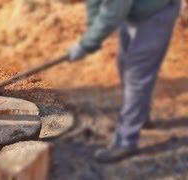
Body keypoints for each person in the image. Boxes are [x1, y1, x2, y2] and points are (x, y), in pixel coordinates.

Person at [67, 0, 181, 163]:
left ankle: (125, 141)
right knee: (124, 66)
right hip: (134, 10)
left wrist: (86, 45)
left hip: (156, 12)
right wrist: (92, 34)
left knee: (137, 76)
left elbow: (113, 13)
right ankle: (140, 116)